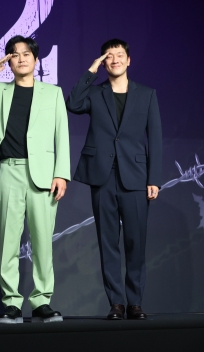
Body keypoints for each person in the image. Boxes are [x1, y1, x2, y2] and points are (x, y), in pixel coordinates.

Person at [0, 35, 70, 323]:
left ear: (36, 59)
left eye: (26, 53)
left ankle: (41, 301)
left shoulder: (53, 93)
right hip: (8, 171)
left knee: (43, 242)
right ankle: (11, 302)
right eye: (14, 54)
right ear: (9, 60)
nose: (21, 58)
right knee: (9, 242)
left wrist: (62, 173)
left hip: (45, 176)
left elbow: (63, 135)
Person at [66, 39, 162, 321]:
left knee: (135, 243)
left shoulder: (146, 94)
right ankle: (116, 303)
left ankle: (135, 302)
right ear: (104, 62)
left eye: (120, 55)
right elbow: (73, 103)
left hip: (135, 177)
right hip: (103, 177)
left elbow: (154, 138)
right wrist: (91, 69)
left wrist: (153, 178)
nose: (115, 60)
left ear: (129, 60)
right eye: (109, 56)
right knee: (108, 243)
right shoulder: (96, 94)